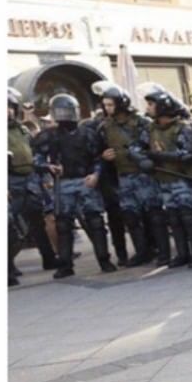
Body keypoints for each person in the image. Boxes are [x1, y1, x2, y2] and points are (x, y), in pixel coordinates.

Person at [32, 94, 117, 278]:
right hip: (63, 182)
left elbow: (98, 158)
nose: (64, 115)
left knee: (95, 221)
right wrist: (49, 166)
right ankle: (65, 264)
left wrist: (95, 174)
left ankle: (104, 259)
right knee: (63, 224)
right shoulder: (48, 135)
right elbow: (36, 158)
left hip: (85, 179)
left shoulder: (88, 133)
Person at [95, 85, 162, 267]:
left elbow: (152, 145)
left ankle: (161, 249)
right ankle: (142, 251)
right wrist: (104, 156)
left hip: (143, 174)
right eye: (105, 105)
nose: (107, 108)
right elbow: (98, 150)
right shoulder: (104, 126)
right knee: (130, 215)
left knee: (153, 213)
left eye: (110, 105)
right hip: (123, 175)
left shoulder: (141, 122)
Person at [142, 92, 192, 268]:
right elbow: (138, 147)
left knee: (187, 216)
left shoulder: (183, 127)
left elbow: (187, 155)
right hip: (164, 179)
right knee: (173, 218)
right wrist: (142, 159)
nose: (148, 108)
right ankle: (182, 254)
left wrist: (157, 156)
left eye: (151, 105)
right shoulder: (151, 128)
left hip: (182, 179)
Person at [8, 87, 58, 278]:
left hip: (29, 179)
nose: (8, 111)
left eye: (9, 107)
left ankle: (49, 256)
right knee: (10, 226)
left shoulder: (21, 129)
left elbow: (34, 152)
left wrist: (45, 167)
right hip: (9, 180)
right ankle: (8, 267)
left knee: (37, 220)